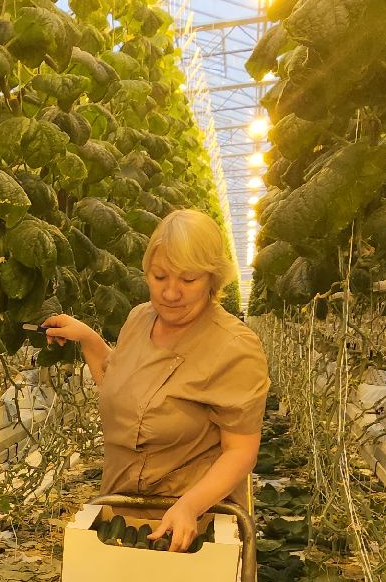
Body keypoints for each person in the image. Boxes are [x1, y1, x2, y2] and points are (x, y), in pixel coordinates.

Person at [41, 209, 269, 552]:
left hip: (192, 527)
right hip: (122, 513)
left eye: (188, 280)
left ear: (212, 278)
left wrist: (190, 506)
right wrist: (88, 339)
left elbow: (240, 452)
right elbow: (125, 388)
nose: (171, 293)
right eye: (160, 276)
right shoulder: (139, 318)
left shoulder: (235, 347)